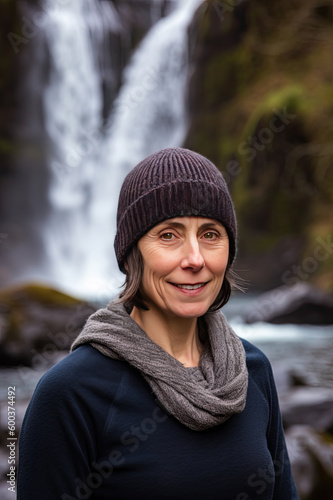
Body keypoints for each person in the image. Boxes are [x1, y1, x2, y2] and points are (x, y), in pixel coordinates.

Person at [18, 147, 299, 499]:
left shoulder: (252, 370)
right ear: (131, 253)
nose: (195, 259)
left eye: (211, 234)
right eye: (169, 235)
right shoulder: (70, 394)